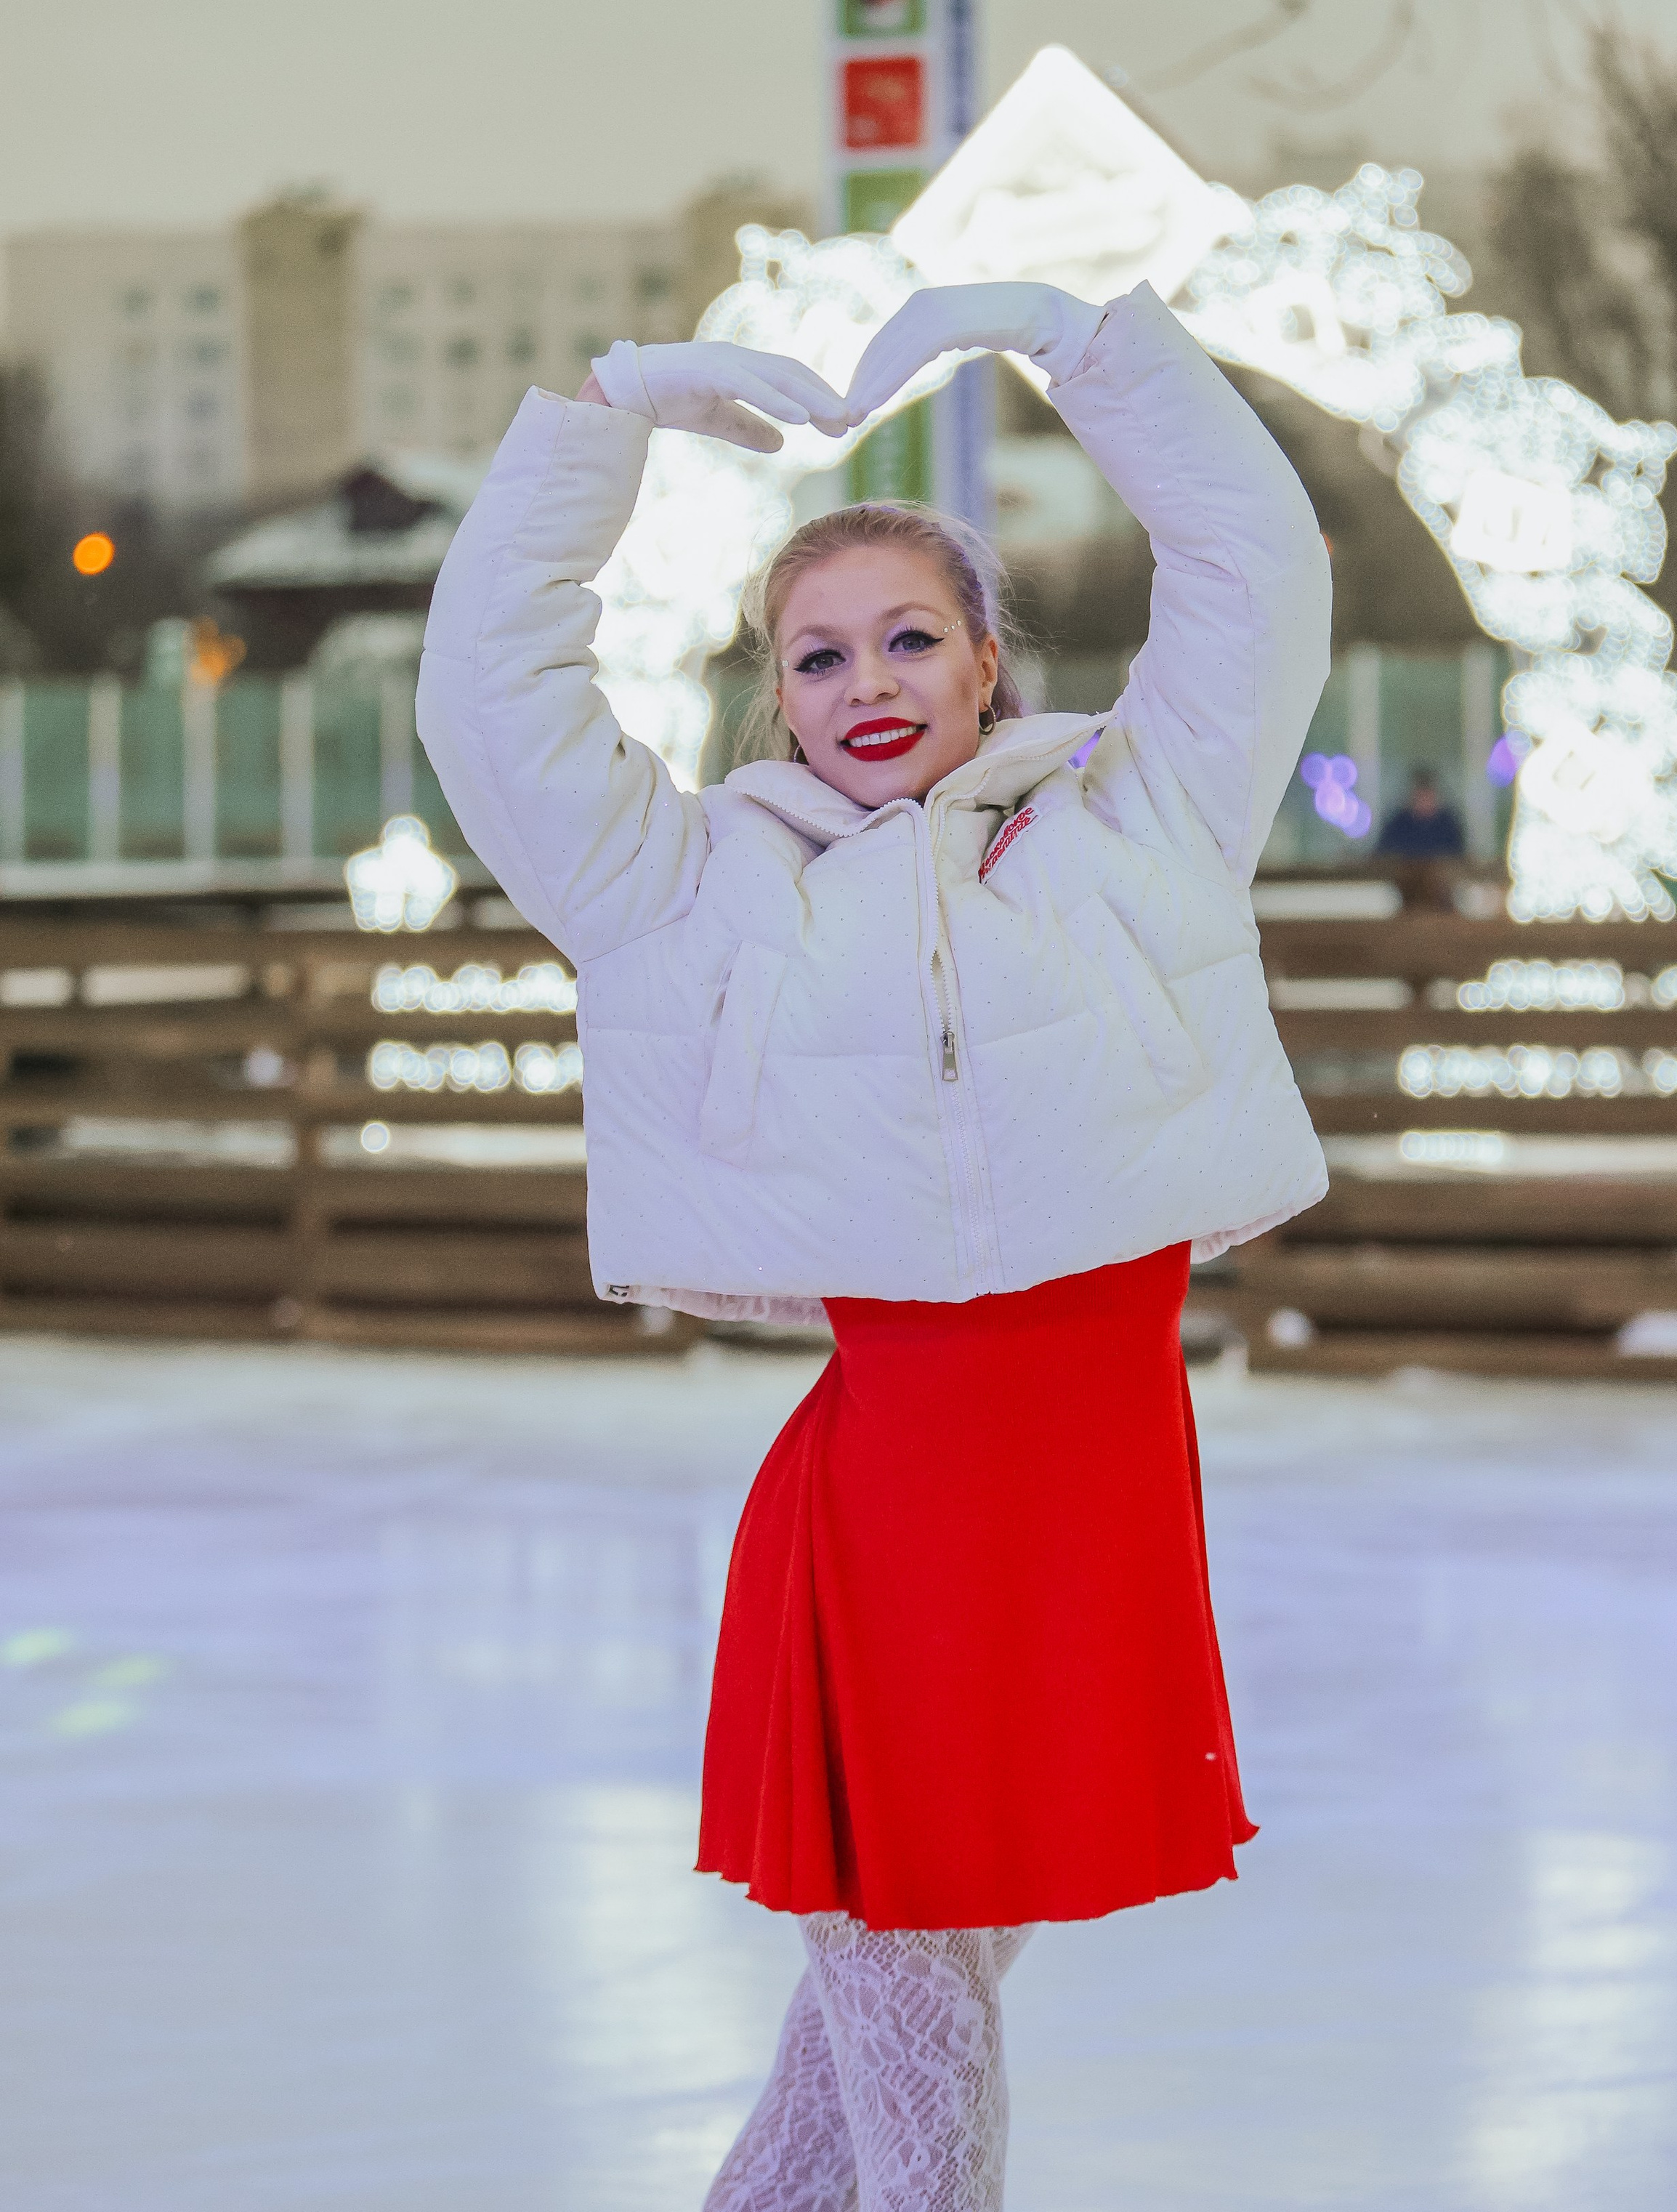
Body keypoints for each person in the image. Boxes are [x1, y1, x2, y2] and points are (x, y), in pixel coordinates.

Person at [416, 278, 1332, 2212]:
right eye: (819, 656)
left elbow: (1254, 563)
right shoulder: (689, 897)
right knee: (905, 1987)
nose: (870, 681)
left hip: (1093, 1489)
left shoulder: (1143, 827)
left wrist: (1084, 348)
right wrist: (602, 418)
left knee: (889, 2011)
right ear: (777, 698)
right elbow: (491, 704)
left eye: (913, 632)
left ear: (992, 661)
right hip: (888, 1504)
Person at [1375, 767, 1466, 860]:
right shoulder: (1397, 824)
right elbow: (1384, 858)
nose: (1424, 801)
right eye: (1420, 796)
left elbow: (1458, 859)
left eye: (1428, 796)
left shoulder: (1449, 825)